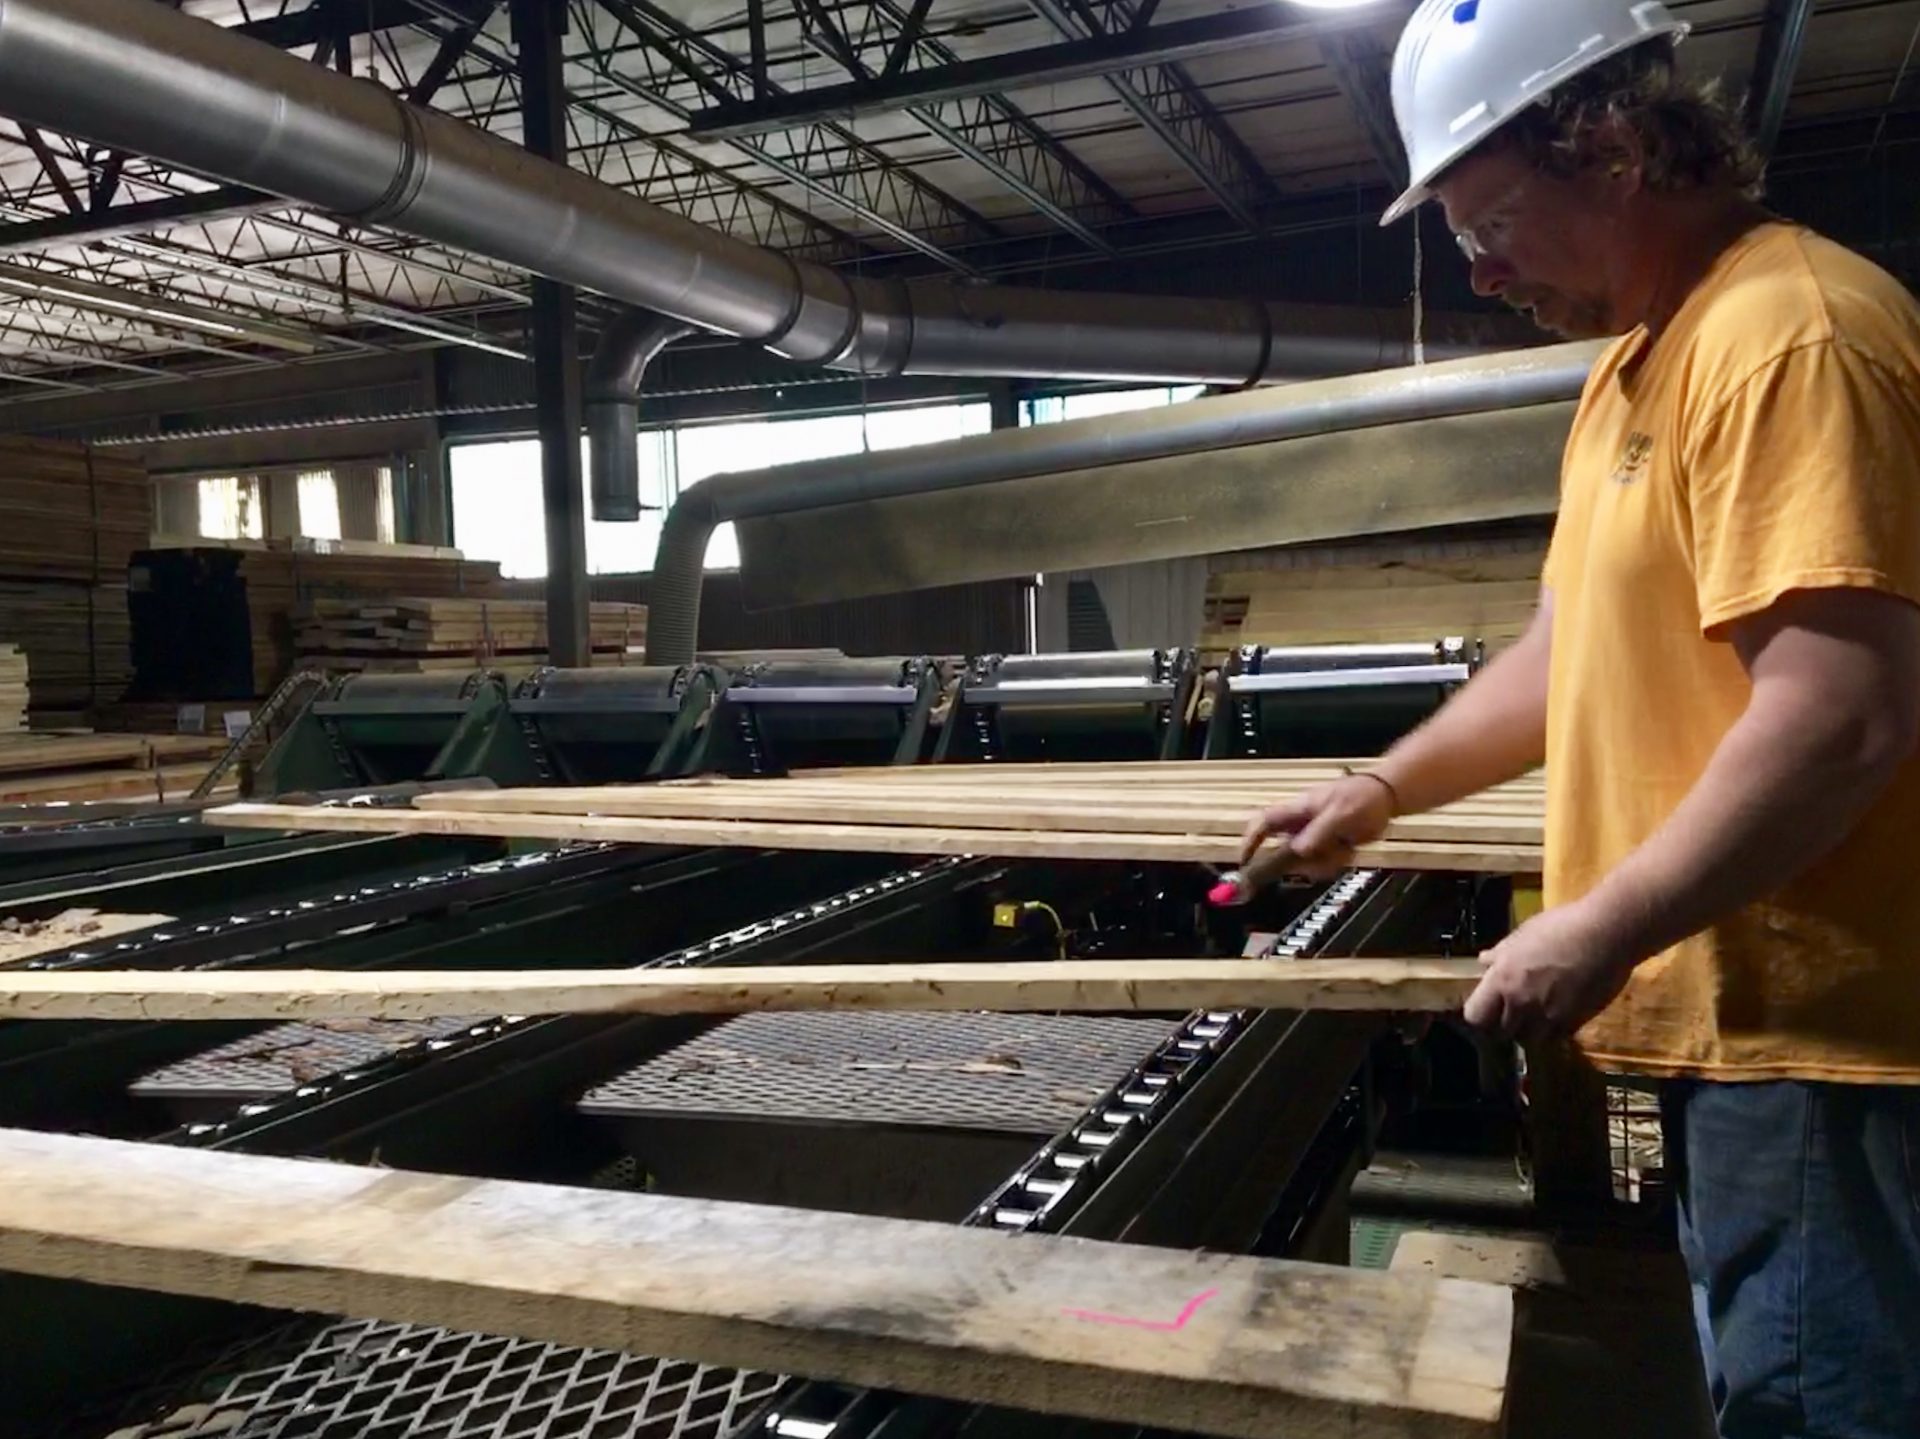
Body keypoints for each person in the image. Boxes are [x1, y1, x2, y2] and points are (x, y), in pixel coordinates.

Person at [1242, 1, 1920, 1433]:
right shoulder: (1633, 366)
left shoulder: (1787, 337)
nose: (1481, 273)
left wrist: (1597, 924)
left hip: (1816, 1040)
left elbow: (1842, 716)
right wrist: (1383, 790)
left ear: (1608, 148)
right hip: (1727, 1026)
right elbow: (1568, 651)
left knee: (1819, 1408)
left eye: (1490, 225)